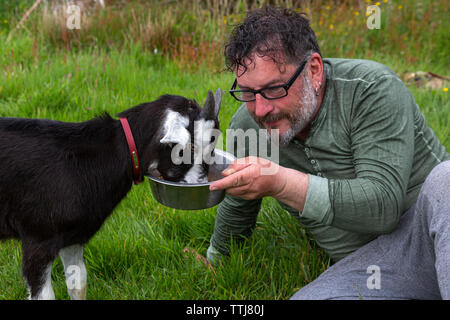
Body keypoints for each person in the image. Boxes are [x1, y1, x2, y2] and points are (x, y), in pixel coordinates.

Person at [206, 6, 450, 299]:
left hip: (431, 237)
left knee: (446, 180)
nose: (261, 109)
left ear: (314, 70)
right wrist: (215, 259)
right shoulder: (249, 126)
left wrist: (281, 183)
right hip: (371, 268)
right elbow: (238, 202)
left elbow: (382, 207)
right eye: (247, 92)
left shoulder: (370, 89)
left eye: (273, 89)